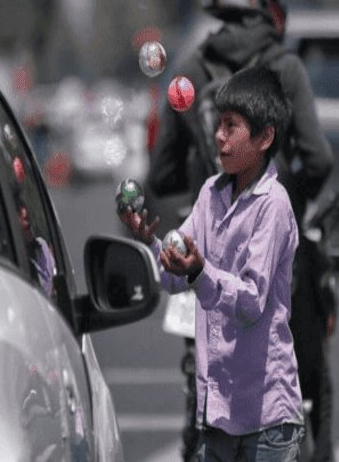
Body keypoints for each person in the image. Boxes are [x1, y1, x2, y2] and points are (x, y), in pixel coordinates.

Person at [146, 0, 335, 460]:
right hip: (267, 273)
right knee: (306, 383)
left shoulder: (188, 68)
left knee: (205, 392)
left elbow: (160, 174)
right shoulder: (284, 69)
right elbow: (318, 158)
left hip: (200, 268)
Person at [123, 65, 304, 461]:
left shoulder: (272, 206)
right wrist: (152, 244)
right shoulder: (211, 193)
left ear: (264, 137)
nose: (217, 136)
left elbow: (252, 300)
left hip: (267, 421)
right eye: (218, 125)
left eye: (231, 126)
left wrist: (199, 271)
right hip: (217, 414)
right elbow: (176, 276)